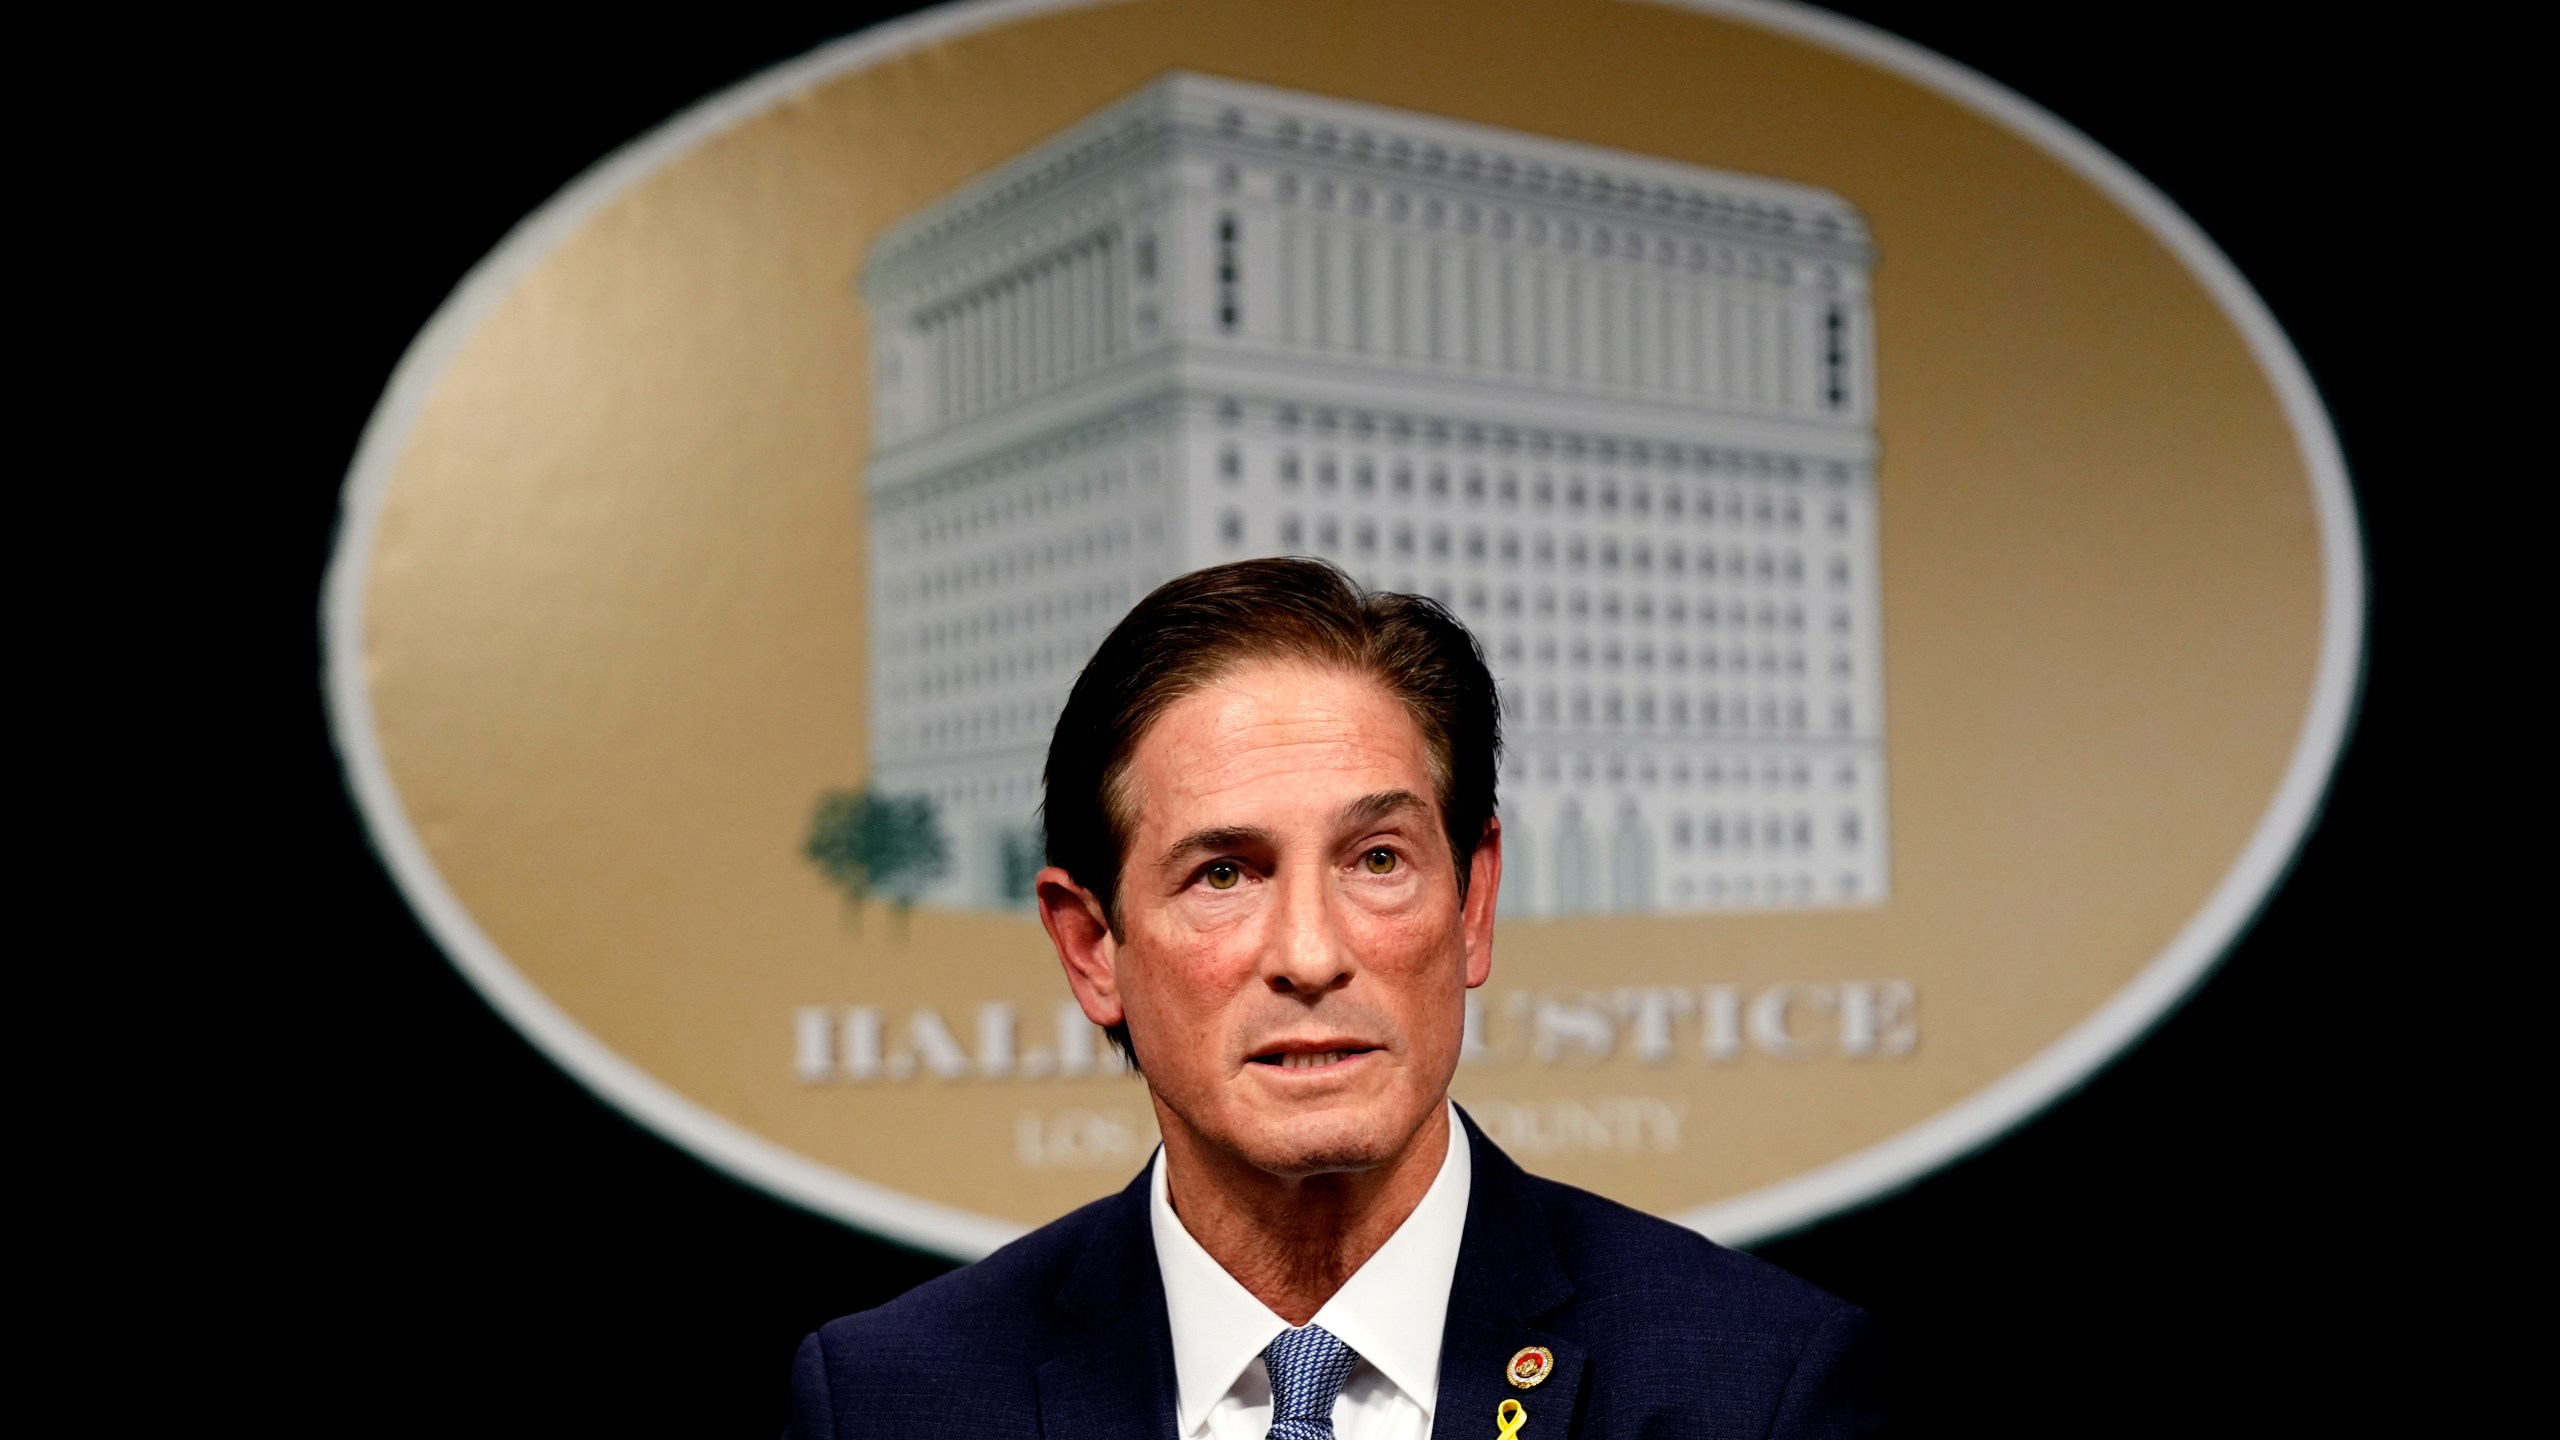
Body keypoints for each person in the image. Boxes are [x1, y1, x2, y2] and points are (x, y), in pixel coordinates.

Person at [788, 558, 1883, 1438]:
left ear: (1474, 903)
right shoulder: (891, 1399)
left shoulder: (1758, 1386)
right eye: (1223, 873)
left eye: (1375, 859)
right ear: (1091, 950)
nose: (1310, 954)